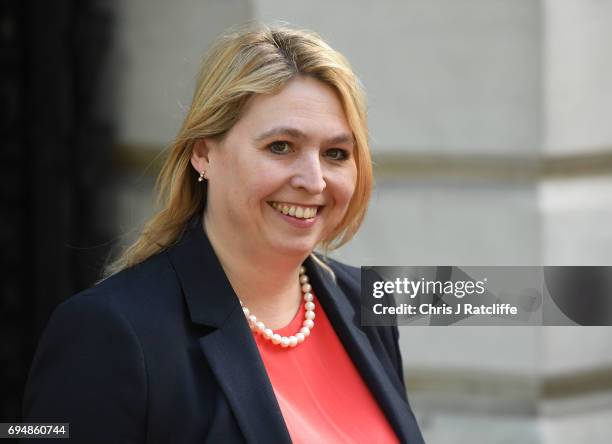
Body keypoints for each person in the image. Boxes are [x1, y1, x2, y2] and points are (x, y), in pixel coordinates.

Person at [22, 23, 425, 443]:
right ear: (203, 154)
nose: (314, 180)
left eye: (336, 154)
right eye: (281, 146)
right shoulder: (109, 330)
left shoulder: (363, 302)